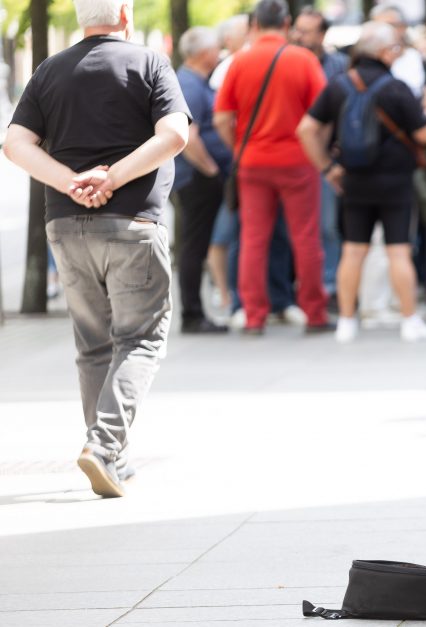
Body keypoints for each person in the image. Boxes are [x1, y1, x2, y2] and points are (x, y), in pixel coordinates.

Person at [3, 0, 190, 497]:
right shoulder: (149, 63)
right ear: (125, 14)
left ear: (84, 18)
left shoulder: (48, 71)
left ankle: (111, 456)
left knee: (93, 346)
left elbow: (15, 143)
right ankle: (104, 447)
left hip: (66, 224)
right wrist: (113, 177)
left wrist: (69, 183)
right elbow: (174, 135)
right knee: (141, 339)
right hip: (132, 222)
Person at [298, 21, 426, 343]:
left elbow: (305, 129)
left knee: (353, 251)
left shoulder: (338, 85)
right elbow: (425, 135)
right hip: (396, 183)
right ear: (385, 52)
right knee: (399, 251)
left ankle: (347, 321)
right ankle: (409, 321)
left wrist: (327, 167)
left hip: (353, 181)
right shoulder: (396, 88)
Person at [213, 0, 331, 335]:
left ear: (254, 24)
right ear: (287, 23)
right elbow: (322, 115)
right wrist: (318, 150)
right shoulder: (304, 60)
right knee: (306, 237)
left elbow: (222, 117)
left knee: (253, 238)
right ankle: (315, 313)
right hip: (298, 160)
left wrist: (238, 147)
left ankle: (253, 315)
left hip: (252, 161)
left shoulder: (240, 62)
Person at [174, 26, 230, 334]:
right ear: (204, 53)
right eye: (216, 48)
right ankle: (193, 314)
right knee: (194, 245)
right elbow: (189, 137)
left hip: (197, 176)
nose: (219, 53)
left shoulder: (193, 82)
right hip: (197, 177)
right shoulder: (190, 85)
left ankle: (195, 312)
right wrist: (211, 171)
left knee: (196, 243)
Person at [292, 6, 350, 304]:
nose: (299, 36)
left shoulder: (340, 64)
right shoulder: (287, 60)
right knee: (297, 229)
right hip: (291, 157)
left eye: (306, 31)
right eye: (297, 30)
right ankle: (303, 288)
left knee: (327, 225)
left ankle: (329, 287)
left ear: (323, 34)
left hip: (326, 158)